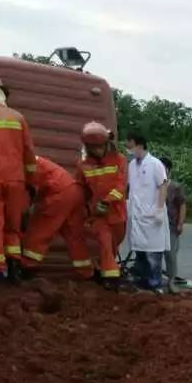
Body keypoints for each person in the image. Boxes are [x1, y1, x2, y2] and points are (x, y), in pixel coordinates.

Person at [0, 70, 35, 282]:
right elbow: (29, 155)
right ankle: (14, 265)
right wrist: (31, 184)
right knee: (13, 224)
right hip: (16, 181)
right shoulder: (18, 117)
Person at [20, 156, 93, 278]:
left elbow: (25, 191)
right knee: (74, 236)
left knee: (39, 229)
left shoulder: (18, 163)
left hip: (59, 194)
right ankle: (87, 273)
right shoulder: (31, 159)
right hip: (74, 192)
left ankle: (28, 266)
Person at [79, 121, 128, 286]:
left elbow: (121, 186)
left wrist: (107, 201)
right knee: (105, 243)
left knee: (112, 247)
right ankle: (111, 280)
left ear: (107, 143)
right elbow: (81, 190)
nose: (97, 150)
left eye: (100, 146)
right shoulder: (83, 165)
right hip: (98, 215)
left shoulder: (120, 160)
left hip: (117, 213)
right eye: (93, 147)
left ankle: (103, 271)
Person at [126, 131, 169, 292]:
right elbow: (132, 188)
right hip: (137, 215)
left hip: (152, 216)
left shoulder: (155, 164)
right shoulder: (131, 165)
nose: (129, 151)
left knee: (153, 254)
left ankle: (155, 285)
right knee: (140, 252)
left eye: (131, 147)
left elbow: (163, 185)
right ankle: (143, 282)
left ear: (140, 145)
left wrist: (159, 209)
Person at [161, 156, 187, 290]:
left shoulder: (175, 187)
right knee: (154, 254)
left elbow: (182, 205)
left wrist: (180, 223)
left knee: (170, 255)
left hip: (171, 226)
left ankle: (171, 281)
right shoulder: (154, 186)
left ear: (168, 171)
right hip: (156, 226)